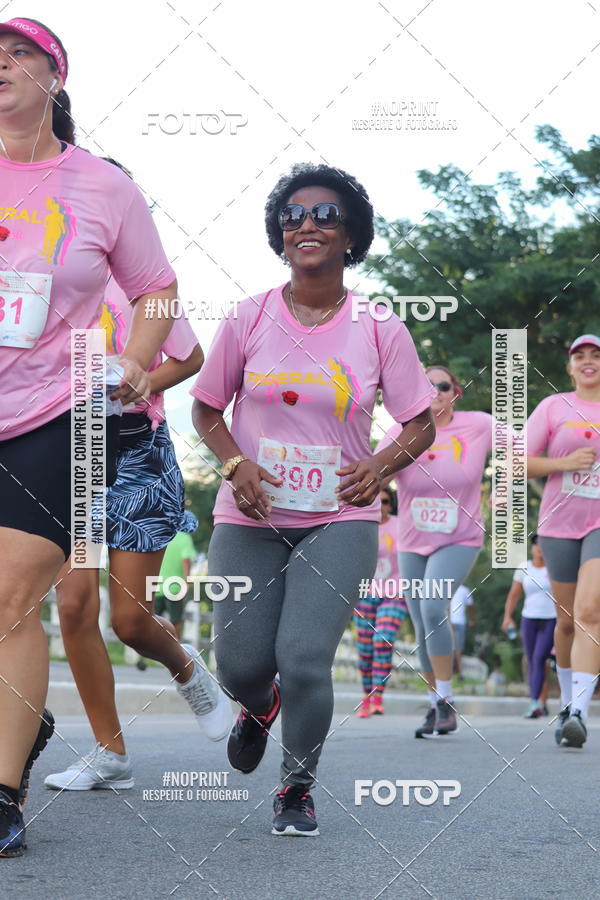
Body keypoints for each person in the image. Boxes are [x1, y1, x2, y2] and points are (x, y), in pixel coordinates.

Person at [191, 162, 436, 836]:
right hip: (252, 514)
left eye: (327, 214)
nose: (307, 223)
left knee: (303, 657)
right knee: (241, 664)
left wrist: (380, 466)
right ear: (280, 233)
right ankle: (257, 705)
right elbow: (207, 409)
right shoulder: (248, 317)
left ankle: (295, 788)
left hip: (340, 518)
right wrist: (235, 463)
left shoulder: (379, 325)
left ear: (352, 235)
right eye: (294, 215)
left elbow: (422, 421)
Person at [0, 17, 182, 856]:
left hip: (62, 416)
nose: (1, 65)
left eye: (19, 54)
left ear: (55, 78)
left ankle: (2, 794)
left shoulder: (103, 188)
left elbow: (155, 290)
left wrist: (140, 360)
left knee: (16, 600)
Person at [44, 267, 230, 793]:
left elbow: (189, 359)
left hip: (136, 456)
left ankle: (185, 666)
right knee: (75, 604)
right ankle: (110, 754)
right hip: (75, 455)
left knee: (130, 621)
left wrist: (137, 384)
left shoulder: (148, 289)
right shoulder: (52, 277)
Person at [379, 366, 492, 739]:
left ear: (455, 392)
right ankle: (435, 705)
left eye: (443, 386)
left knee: (432, 606)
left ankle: (445, 702)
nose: (435, 392)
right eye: (427, 386)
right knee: (423, 623)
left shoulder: (479, 425)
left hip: (459, 536)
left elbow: (524, 446)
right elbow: (375, 472)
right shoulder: (401, 432)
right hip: (413, 540)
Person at [526, 334, 600, 747]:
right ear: (570, 368)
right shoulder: (554, 407)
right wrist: (565, 462)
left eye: (596, 355)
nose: (588, 362)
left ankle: (579, 712)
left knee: (592, 610)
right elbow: (519, 461)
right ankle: (566, 704)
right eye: (580, 357)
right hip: (558, 526)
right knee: (567, 622)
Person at [353, 486, 408, 717]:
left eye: (385, 501)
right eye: (375, 500)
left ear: (390, 503)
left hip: (394, 592)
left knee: (383, 639)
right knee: (365, 648)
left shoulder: (401, 524)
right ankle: (367, 695)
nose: (380, 505)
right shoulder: (360, 526)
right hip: (365, 591)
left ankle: (378, 695)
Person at [502, 535, 556, 718]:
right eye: (536, 545)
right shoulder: (524, 568)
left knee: (540, 658)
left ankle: (538, 702)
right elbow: (514, 595)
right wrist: (508, 617)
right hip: (529, 619)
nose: (540, 549)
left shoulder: (555, 567)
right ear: (532, 548)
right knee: (533, 660)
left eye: (543, 545)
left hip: (551, 619)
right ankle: (536, 703)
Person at [154, 531, 198, 640]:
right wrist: (187, 583)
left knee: (152, 621)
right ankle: (175, 647)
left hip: (154, 586)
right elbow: (186, 561)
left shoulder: (156, 534)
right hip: (175, 588)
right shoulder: (184, 538)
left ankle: (155, 649)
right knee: (175, 622)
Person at [450, 584, 475, 679]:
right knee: (459, 648)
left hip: (449, 620)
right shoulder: (465, 590)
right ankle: (459, 672)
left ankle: (449, 671)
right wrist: (472, 619)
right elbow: (470, 606)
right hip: (460, 621)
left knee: (450, 646)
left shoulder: (448, 588)